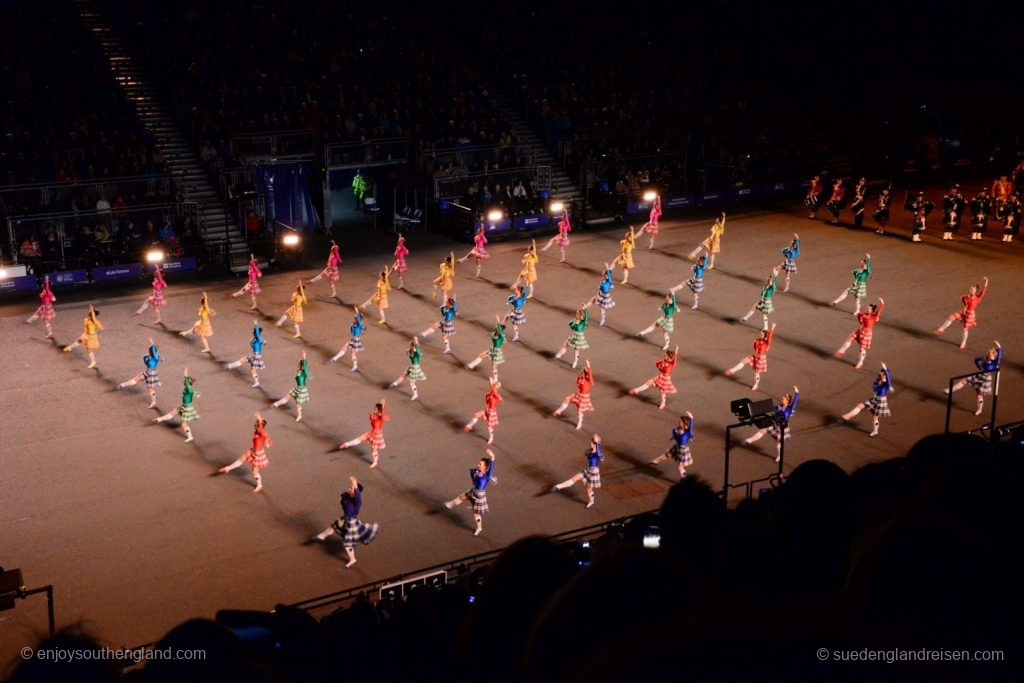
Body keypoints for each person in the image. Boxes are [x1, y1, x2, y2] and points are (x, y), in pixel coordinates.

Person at [312, 476, 380, 567]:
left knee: (347, 543)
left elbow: (357, 493)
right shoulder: (348, 497)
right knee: (333, 526)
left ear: (356, 492)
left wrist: (354, 482)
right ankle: (322, 536)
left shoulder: (357, 501)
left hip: (351, 524)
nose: (349, 488)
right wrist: (353, 485)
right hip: (345, 519)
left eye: (351, 488)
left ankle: (353, 559)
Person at [444, 449, 497, 536]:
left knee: (476, 513)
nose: (478, 465)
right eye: (479, 463)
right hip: (474, 491)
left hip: (479, 495)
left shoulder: (487, 475)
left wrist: (492, 455)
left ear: (486, 467)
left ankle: (479, 528)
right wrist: (473, 480)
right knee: (462, 497)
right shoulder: (476, 471)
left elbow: (492, 463)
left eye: (480, 464)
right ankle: (450, 505)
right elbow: (471, 472)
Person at [217, 412, 273, 492]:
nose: (255, 426)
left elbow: (261, 429)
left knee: (254, 472)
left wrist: (260, 418)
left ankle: (260, 485)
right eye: (256, 424)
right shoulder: (256, 432)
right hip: (253, 450)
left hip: (258, 454)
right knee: (242, 458)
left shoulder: (263, 434)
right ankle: (227, 468)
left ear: (261, 426)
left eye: (256, 425)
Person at [743, 385, 799, 462]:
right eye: (782, 398)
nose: (781, 399)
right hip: (775, 423)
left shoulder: (790, 408)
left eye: (783, 399)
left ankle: (779, 456)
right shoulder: (778, 406)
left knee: (778, 444)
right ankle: (749, 440)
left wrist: (797, 393)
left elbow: (795, 401)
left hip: (782, 427)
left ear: (787, 401)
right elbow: (770, 409)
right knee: (763, 430)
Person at [946, 341, 1001, 416]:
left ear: (994, 357)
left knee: (979, 394)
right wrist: (979, 367)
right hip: (979, 375)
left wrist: (999, 346)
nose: (989, 354)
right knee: (964, 380)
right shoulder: (983, 358)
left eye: (991, 354)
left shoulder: (995, 363)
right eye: (989, 353)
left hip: (986, 378)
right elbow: (976, 359)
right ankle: (950, 390)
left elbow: (999, 355)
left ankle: (979, 410)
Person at [551, 434, 603, 508]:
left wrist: (597, 442)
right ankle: (557, 487)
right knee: (575, 478)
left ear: (595, 444)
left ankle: (591, 502)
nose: (590, 444)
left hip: (594, 472)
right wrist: (597, 442)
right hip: (588, 469)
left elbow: (599, 454)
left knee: (589, 489)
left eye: (591, 443)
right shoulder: (592, 451)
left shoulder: (597, 453)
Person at [935, 277, 988, 349]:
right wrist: (965, 306)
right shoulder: (966, 297)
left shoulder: (978, 298)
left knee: (965, 329)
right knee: (951, 317)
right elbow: (963, 299)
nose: (970, 290)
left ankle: (963, 343)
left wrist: (986, 282)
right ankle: (941, 329)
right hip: (964, 312)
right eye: (970, 289)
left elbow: (983, 291)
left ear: (975, 291)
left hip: (970, 315)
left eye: (972, 289)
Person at [841, 364, 892, 437]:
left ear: (884, 375)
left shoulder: (886, 383)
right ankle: (848, 416)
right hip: (875, 398)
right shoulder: (877, 381)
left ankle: (875, 431)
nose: (879, 374)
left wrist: (885, 368)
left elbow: (888, 380)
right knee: (861, 406)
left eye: (881, 373)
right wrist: (877, 382)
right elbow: (875, 389)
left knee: (875, 417)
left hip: (881, 400)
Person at [835, 298, 884, 369]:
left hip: (867, 334)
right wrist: (861, 322)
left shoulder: (874, 316)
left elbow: (879, 311)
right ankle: (842, 351)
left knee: (862, 349)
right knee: (850, 337)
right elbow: (858, 315)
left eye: (869, 308)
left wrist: (882, 303)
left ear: (872, 310)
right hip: (860, 331)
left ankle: (860, 362)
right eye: (867, 308)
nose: (867, 309)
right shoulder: (863, 314)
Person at [154, 368, 200, 442]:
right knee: (172, 413)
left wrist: (185, 374)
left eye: (185, 381)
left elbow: (189, 387)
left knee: (183, 425)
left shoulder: (189, 389)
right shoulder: (187, 389)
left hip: (187, 409)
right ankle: (160, 419)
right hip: (184, 406)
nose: (184, 381)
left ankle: (190, 437)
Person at [725, 323, 776, 391]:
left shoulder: (767, 343)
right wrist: (755, 345)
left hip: (761, 359)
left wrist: (772, 328)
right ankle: (732, 371)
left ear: (764, 336)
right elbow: (755, 347)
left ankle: (756, 385)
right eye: (760, 333)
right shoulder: (758, 340)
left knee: (756, 372)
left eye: (761, 334)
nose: (759, 334)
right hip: (755, 356)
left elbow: (770, 337)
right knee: (743, 361)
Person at [338, 400, 389, 468]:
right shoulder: (373, 415)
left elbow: (383, 416)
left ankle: (375, 462)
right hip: (372, 432)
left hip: (377, 435)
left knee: (373, 449)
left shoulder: (380, 418)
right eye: (374, 408)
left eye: (376, 409)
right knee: (360, 438)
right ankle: (346, 444)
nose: (374, 409)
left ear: (379, 412)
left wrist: (383, 408)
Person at [117, 339, 162, 407]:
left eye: (149, 350)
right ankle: (122, 385)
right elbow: (146, 362)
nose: (148, 350)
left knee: (150, 389)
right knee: (136, 379)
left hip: (151, 373)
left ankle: (154, 401)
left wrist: (152, 343)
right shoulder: (149, 357)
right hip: (149, 372)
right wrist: (146, 356)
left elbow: (154, 354)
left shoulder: (156, 357)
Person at [552, 360, 595, 430]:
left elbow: (590, 373)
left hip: (584, 397)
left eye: (584, 373)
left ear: (586, 374)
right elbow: (579, 381)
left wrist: (588, 365)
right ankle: (558, 411)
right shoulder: (581, 379)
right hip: (579, 395)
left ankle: (580, 423)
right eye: (583, 373)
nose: (583, 374)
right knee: (567, 399)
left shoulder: (590, 381)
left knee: (579, 410)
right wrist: (581, 374)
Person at [650, 412, 695, 478]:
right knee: (668, 454)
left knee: (680, 466)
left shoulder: (688, 432)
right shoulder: (676, 429)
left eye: (680, 421)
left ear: (684, 423)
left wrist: (691, 418)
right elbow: (675, 435)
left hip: (682, 450)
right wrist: (673, 436)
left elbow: (691, 426)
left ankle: (685, 479)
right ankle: (655, 461)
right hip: (677, 446)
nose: (679, 421)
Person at [225, 321, 267, 387]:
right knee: (252, 370)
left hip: (256, 356)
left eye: (254, 333)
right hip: (255, 355)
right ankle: (257, 383)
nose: (253, 334)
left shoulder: (259, 338)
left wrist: (256, 324)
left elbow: (258, 335)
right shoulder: (255, 339)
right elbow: (253, 346)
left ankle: (230, 366)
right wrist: (251, 342)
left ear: (255, 333)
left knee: (245, 363)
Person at [467, 316, 508, 380]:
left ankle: (495, 380)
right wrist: (505, 318)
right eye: (496, 328)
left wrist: (498, 321)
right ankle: (472, 365)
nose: (496, 329)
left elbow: (500, 329)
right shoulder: (496, 333)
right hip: (493, 350)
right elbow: (501, 326)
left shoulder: (501, 336)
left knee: (494, 367)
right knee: (481, 355)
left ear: (500, 331)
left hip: (497, 353)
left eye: (497, 329)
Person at [272, 353, 310, 421]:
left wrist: (304, 357)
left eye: (298, 363)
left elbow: (305, 365)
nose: (297, 364)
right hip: (298, 388)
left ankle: (300, 415)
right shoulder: (299, 371)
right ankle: (277, 404)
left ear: (302, 366)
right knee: (288, 395)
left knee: (298, 404)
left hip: (301, 390)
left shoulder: (304, 372)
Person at [553, 303, 593, 369]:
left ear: (580, 315)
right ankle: (560, 354)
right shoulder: (575, 321)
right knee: (566, 344)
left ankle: (575, 362)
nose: (576, 314)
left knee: (576, 350)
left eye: (577, 313)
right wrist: (574, 322)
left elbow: (586, 317)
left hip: (579, 337)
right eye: (576, 313)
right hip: (574, 336)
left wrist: (585, 309)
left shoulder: (583, 322)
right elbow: (571, 326)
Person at [463, 379, 503, 444]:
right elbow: (488, 400)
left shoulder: (497, 395)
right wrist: (491, 387)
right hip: (487, 410)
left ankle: (491, 438)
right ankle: (469, 426)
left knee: (489, 426)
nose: (494, 387)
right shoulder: (490, 394)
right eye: (495, 386)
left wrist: (491, 384)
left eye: (495, 386)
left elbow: (495, 392)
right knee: (476, 415)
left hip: (492, 412)